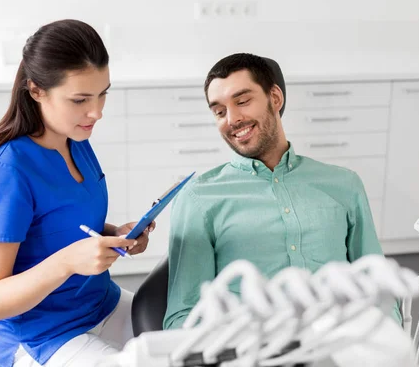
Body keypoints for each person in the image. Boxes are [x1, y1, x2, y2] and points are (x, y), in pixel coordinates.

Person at [0, 19, 154, 367]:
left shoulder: (75, 139)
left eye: (102, 93)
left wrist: (114, 235)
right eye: (80, 99)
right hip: (38, 336)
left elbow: (59, 222)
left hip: (98, 303)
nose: (97, 112)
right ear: (36, 90)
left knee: (186, 345)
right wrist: (68, 262)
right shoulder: (2, 172)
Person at [163, 53, 402, 330]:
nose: (232, 119)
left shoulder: (344, 185)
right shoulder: (198, 199)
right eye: (219, 111)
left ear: (275, 98)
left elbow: (378, 286)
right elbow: (183, 317)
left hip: (339, 344)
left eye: (242, 102)